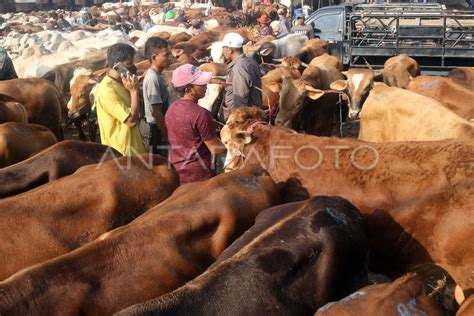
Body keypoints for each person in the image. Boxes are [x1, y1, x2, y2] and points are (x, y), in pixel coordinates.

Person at [165, 64, 226, 184]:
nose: (206, 85)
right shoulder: (201, 114)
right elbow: (215, 149)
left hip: (178, 170)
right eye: (201, 83)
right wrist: (232, 146)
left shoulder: (171, 109)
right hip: (200, 174)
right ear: (188, 90)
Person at [95, 43, 146, 156]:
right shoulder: (107, 90)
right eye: (129, 64)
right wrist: (134, 92)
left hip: (135, 149)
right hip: (122, 153)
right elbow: (131, 121)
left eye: (133, 62)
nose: (133, 67)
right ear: (116, 65)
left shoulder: (124, 83)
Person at [217, 33, 262, 115]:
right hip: (253, 108)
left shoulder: (239, 67)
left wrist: (237, 119)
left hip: (243, 114)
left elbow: (240, 98)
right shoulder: (251, 61)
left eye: (223, 48)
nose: (223, 51)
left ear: (230, 50)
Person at [142, 37, 172, 155]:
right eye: (166, 55)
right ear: (154, 57)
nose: (170, 58)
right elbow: (156, 112)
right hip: (156, 129)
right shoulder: (153, 78)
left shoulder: (158, 75)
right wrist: (168, 136)